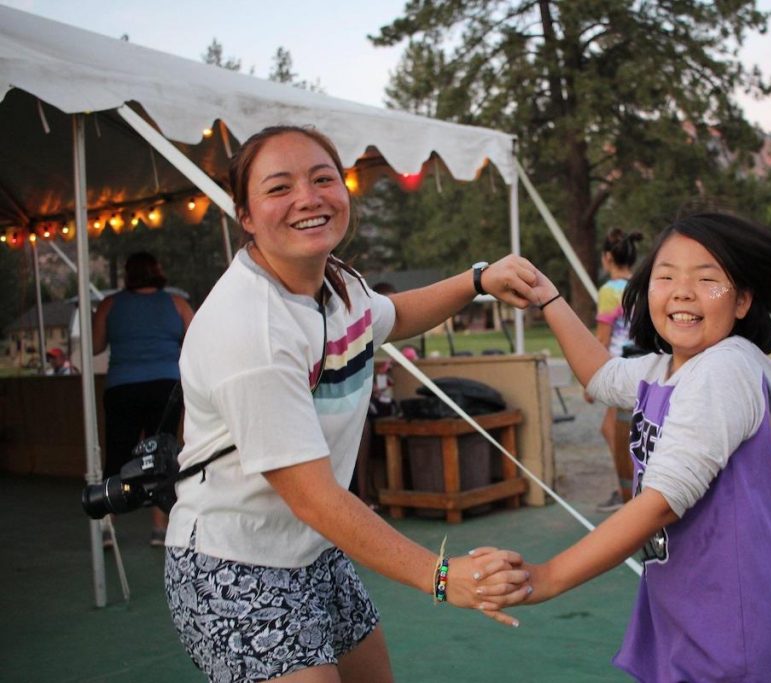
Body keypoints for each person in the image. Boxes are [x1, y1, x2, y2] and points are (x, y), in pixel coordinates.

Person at [163, 125, 532, 682]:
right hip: (233, 563)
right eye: (279, 187)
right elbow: (315, 498)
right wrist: (441, 575)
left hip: (313, 551)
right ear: (245, 215)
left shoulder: (337, 282)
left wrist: (478, 279)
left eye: (322, 178)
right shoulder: (252, 332)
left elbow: (392, 316)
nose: (308, 199)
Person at [510, 212, 771, 682]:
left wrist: (547, 577)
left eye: (707, 279)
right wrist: (548, 297)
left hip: (726, 622)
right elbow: (599, 374)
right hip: (681, 602)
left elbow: (661, 504)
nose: (682, 291)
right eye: (666, 277)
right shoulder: (665, 370)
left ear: (741, 301)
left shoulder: (724, 370)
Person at [93, 251, 193, 547]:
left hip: (122, 386)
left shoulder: (110, 304)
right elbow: (198, 335)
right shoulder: (176, 302)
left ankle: (109, 524)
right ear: (157, 270)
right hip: (165, 383)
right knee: (161, 452)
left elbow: (96, 346)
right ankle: (159, 528)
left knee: (118, 451)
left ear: (128, 273)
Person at [592, 228, 643, 512]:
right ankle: (628, 482)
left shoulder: (609, 291)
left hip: (617, 369)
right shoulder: (642, 285)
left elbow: (602, 337)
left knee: (611, 429)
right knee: (620, 428)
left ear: (607, 257)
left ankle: (628, 485)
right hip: (643, 364)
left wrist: (590, 381)